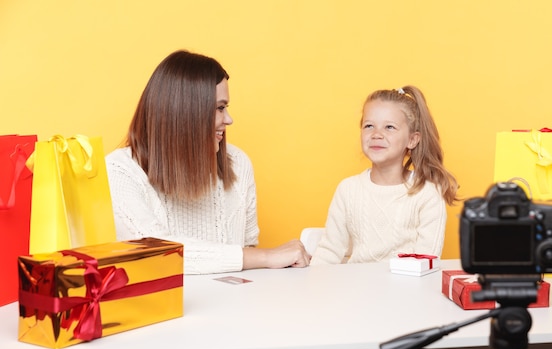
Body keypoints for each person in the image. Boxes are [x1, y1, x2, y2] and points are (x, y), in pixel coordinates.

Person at [106, 50, 310, 274]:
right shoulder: (120, 171)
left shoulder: (238, 163)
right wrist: (267, 256)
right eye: (220, 108)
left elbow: (248, 249)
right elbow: (155, 252)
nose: (229, 120)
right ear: (185, 112)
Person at [310, 86, 459, 265]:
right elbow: (329, 251)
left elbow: (426, 262)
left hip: (406, 290)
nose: (376, 134)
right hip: (353, 289)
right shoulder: (348, 189)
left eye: (389, 127)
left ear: (412, 139)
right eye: (369, 126)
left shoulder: (427, 194)